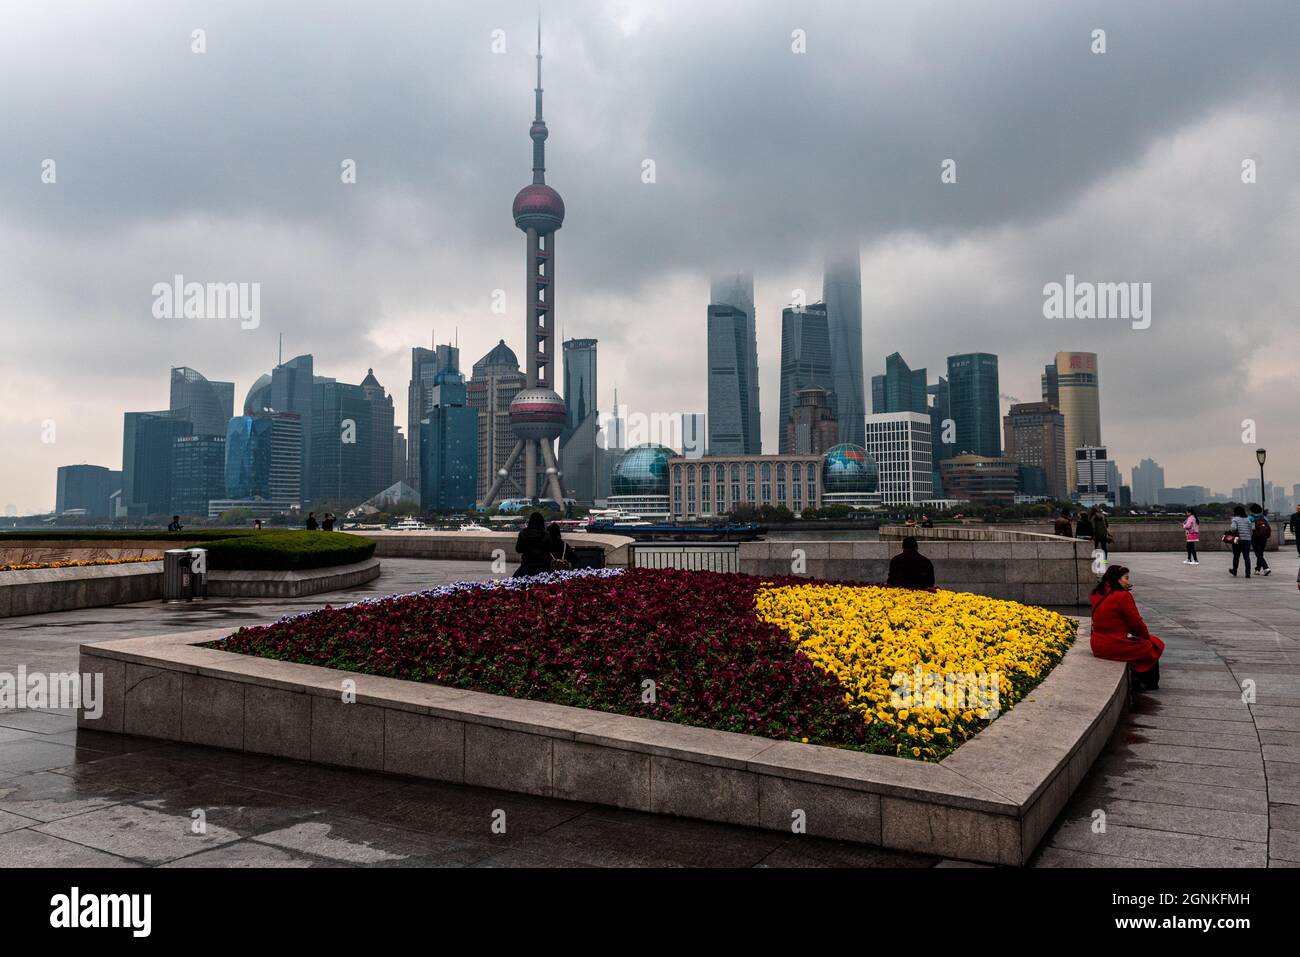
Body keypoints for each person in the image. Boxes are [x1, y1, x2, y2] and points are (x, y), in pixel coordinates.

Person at [1089, 565, 1165, 691]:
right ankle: (1148, 683)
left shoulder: (1097, 593)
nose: (1128, 581)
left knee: (1142, 645)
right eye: (1126, 578)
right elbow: (1136, 623)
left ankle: (1137, 678)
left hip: (1097, 644)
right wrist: (1146, 637)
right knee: (1151, 646)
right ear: (1117, 579)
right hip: (1114, 643)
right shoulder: (1122, 596)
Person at [514, 511, 553, 577]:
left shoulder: (523, 533)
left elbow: (518, 549)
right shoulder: (546, 534)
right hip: (543, 566)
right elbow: (550, 549)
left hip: (526, 565)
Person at [1227, 505, 1253, 578]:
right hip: (1247, 540)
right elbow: (1251, 531)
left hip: (1238, 540)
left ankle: (1234, 571)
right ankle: (1248, 573)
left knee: (1236, 556)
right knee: (1246, 556)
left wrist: (1231, 531)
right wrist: (1248, 537)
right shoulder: (1247, 519)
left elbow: (1233, 528)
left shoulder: (1235, 519)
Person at [1248, 504, 1271, 576]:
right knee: (1260, 553)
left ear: (1252, 510)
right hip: (1264, 537)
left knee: (1258, 554)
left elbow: (1251, 528)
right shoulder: (1264, 517)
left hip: (1255, 537)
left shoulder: (1250, 518)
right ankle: (1257, 569)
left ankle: (1266, 568)